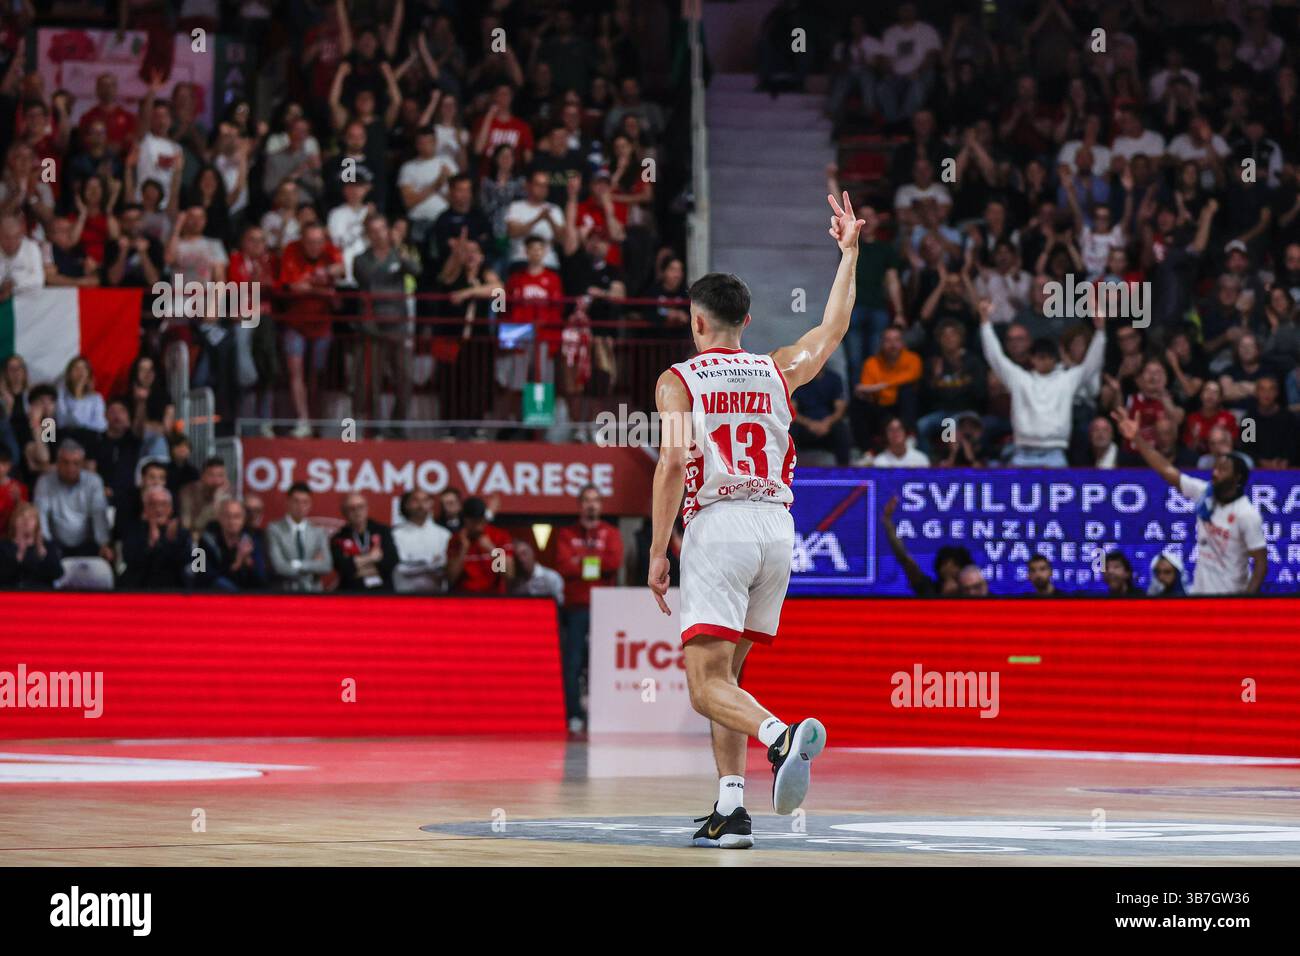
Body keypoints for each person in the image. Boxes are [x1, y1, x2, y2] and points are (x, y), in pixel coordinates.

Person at [648, 191, 864, 849]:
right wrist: (849, 253)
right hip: (776, 528)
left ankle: (780, 736)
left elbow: (672, 462)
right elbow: (833, 328)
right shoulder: (778, 368)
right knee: (728, 677)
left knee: (702, 687)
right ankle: (731, 810)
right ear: (746, 319)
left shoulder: (678, 379)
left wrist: (657, 551)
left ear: (696, 322)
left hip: (719, 525)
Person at [1113, 405, 1267, 595]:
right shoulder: (1205, 493)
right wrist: (1137, 438)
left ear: (1237, 478)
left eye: (1223, 470)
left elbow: (1260, 563)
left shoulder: (1246, 513)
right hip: (1200, 594)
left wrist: (1247, 602)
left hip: (1231, 597)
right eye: (1216, 468)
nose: (1215, 473)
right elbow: (1166, 470)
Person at [979, 299, 1104, 466]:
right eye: (1039, 357)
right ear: (1032, 359)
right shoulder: (1020, 379)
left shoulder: (1067, 379)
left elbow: (1092, 365)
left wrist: (1100, 332)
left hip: (1055, 453)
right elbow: (995, 358)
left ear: (1055, 360)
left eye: (1047, 357)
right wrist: (985, 323)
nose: (1043, 361)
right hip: (1022, 453)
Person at [554, 485, 624, 735]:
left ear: (601, 505)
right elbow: (564, 566)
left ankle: (603, 715)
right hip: (576, 609)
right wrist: (595, 562)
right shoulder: (566, 533)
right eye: (586, 500)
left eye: (595, 500)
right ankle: (574, 714)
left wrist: (581, 560)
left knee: (604, 663)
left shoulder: (611, 533)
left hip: (605, 609)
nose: (591, 505)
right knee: (572, 663)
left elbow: (613, 562)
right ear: (580, 504)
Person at [32, 440, 112, 560]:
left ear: (82, 464)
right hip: (55, 543)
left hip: (87, 542)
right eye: (65, 462)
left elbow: (99, 516)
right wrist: (45, 545)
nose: (70, 468)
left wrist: (103, 544)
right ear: (57, 463)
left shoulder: (94, 482)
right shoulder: (44, 482)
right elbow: (41, 516)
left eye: (76, 463)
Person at [881, 495, 970, 596]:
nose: (948, 568)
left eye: (955, 564)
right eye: (944, 563)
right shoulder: (928, 589)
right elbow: (905, 560)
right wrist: (887, 522)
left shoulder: (975, 592)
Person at [119, 486, 194, 590]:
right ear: (145, 508)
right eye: (153, 504)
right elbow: (129, 560)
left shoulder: (181, 533)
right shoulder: (134, 530)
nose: (159, 509)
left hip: (173, 590)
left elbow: (185, 562)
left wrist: (170, 541)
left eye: (163, 504)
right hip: (140, 589)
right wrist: (150, 543)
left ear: (171, 508)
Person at [266, 482, 333, 592]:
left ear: (310, 504)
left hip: (314, 592)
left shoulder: (318, 532)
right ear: (288, 502)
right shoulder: (275, 529)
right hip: (284, 592)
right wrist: (313, 565)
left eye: (305, 502)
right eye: (296, 501)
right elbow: (279, 567)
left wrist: (296, 564)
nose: (300, 506)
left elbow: (326, 566)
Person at [330, 493, 398, 592]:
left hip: (382, 591)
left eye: (360, 507)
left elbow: (391, 562)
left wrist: (356, 563)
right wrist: (371, 557)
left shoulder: (383, 531)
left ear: (367, 508)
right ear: (344, 512)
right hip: (351, 592)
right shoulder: (338, 537)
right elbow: (343, 568)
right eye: (352, 508)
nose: (357, 512)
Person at [198, 498, 269, 591]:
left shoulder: (252, 539)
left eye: (237, 516)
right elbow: (202, 578)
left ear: (244, 519)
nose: (232, 521)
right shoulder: (205, 540)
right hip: (215, 595)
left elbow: (263, 580)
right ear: (219, 518)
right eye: (227, 516)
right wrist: (237, 563)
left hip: (248, 595)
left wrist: (248, 561)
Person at [446, 496, 513, 593]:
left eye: (481, 521)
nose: (478, 527)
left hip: (493, 597)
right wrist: (463, 550)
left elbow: (509, 575)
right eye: (474, 522)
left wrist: (491, 549)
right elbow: (450, 579)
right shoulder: (456, 540)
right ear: (465, 520)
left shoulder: (499, 536)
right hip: (464, 597)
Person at [790, 365, 852, 465]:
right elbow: (792, 409)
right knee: (790, 431)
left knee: (842, 430)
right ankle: (789, 469)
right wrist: (809, 423)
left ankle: (844, 470)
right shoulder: (799, 380)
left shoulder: (834, 378)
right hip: (805, 426)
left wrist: (827, 423)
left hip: (828, 426)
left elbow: (840, 409)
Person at [391, 490, 451, 593]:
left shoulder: (444, 534)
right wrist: (430, 564)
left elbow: (445, 564)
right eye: (415, 500)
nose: (421, 505)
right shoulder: (395, 534)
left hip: (437, 595)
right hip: (405, 594)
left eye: (425, 500)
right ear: (406, 505)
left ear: (431, 504)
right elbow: (401, 565)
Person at [0, 501, 63, 589]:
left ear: (37, 523)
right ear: (14, 522)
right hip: (11, 593)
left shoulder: (47, 546)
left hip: (40, 593)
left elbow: (57, 574)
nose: (26, 521)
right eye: (21, 517)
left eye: (31, 518)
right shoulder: (3, 546)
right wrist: (19, 555)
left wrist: (42, 553)